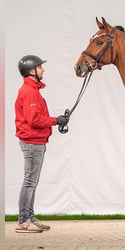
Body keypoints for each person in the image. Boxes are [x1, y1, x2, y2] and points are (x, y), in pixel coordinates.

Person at [14, 55, 69, 233]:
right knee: (30, 181)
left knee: (32, 182)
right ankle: (23, 221)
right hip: (32, 142)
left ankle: (29, 216)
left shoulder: (33, 90)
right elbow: (34, 120)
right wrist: (56, 120)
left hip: (36, 141)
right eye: (39, 67)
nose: (43, 69)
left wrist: (57, 120)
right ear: (31, 71)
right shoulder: (29, 91)